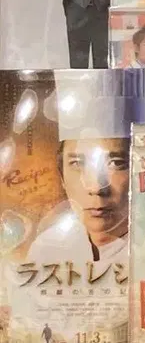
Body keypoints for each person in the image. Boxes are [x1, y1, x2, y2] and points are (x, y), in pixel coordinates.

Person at [26, 99, 129, 266]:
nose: (96, 187)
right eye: (77, 163)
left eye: (116, 163)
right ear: (62, 176)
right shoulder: (46, 250)